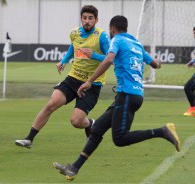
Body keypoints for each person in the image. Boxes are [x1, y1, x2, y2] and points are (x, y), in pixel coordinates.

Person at [53, 15, 181, 181]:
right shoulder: (136, 43)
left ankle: (162, 131)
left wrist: (89, 81)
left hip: (127, 95)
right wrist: (158, 63)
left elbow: (109, 59)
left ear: (112, 29)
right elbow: (154, 63)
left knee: (120, 139)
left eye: (110, 30)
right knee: (97, 128)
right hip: (132, 95)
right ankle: (74, 168)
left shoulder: (117, 40)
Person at [15, 5, 110, 149]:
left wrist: (94, 55)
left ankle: (90, 124)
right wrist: (63, 61)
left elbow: (111, 58)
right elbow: (73, 48)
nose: (87, 21)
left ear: (96, 20)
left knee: (76, 121)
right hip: (73, 79)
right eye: (84, 18)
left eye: (91, 18)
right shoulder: (74, 33)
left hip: (92, 84)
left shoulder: (102, 36)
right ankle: (29, 139)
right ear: (81, 19)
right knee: (51, 104)